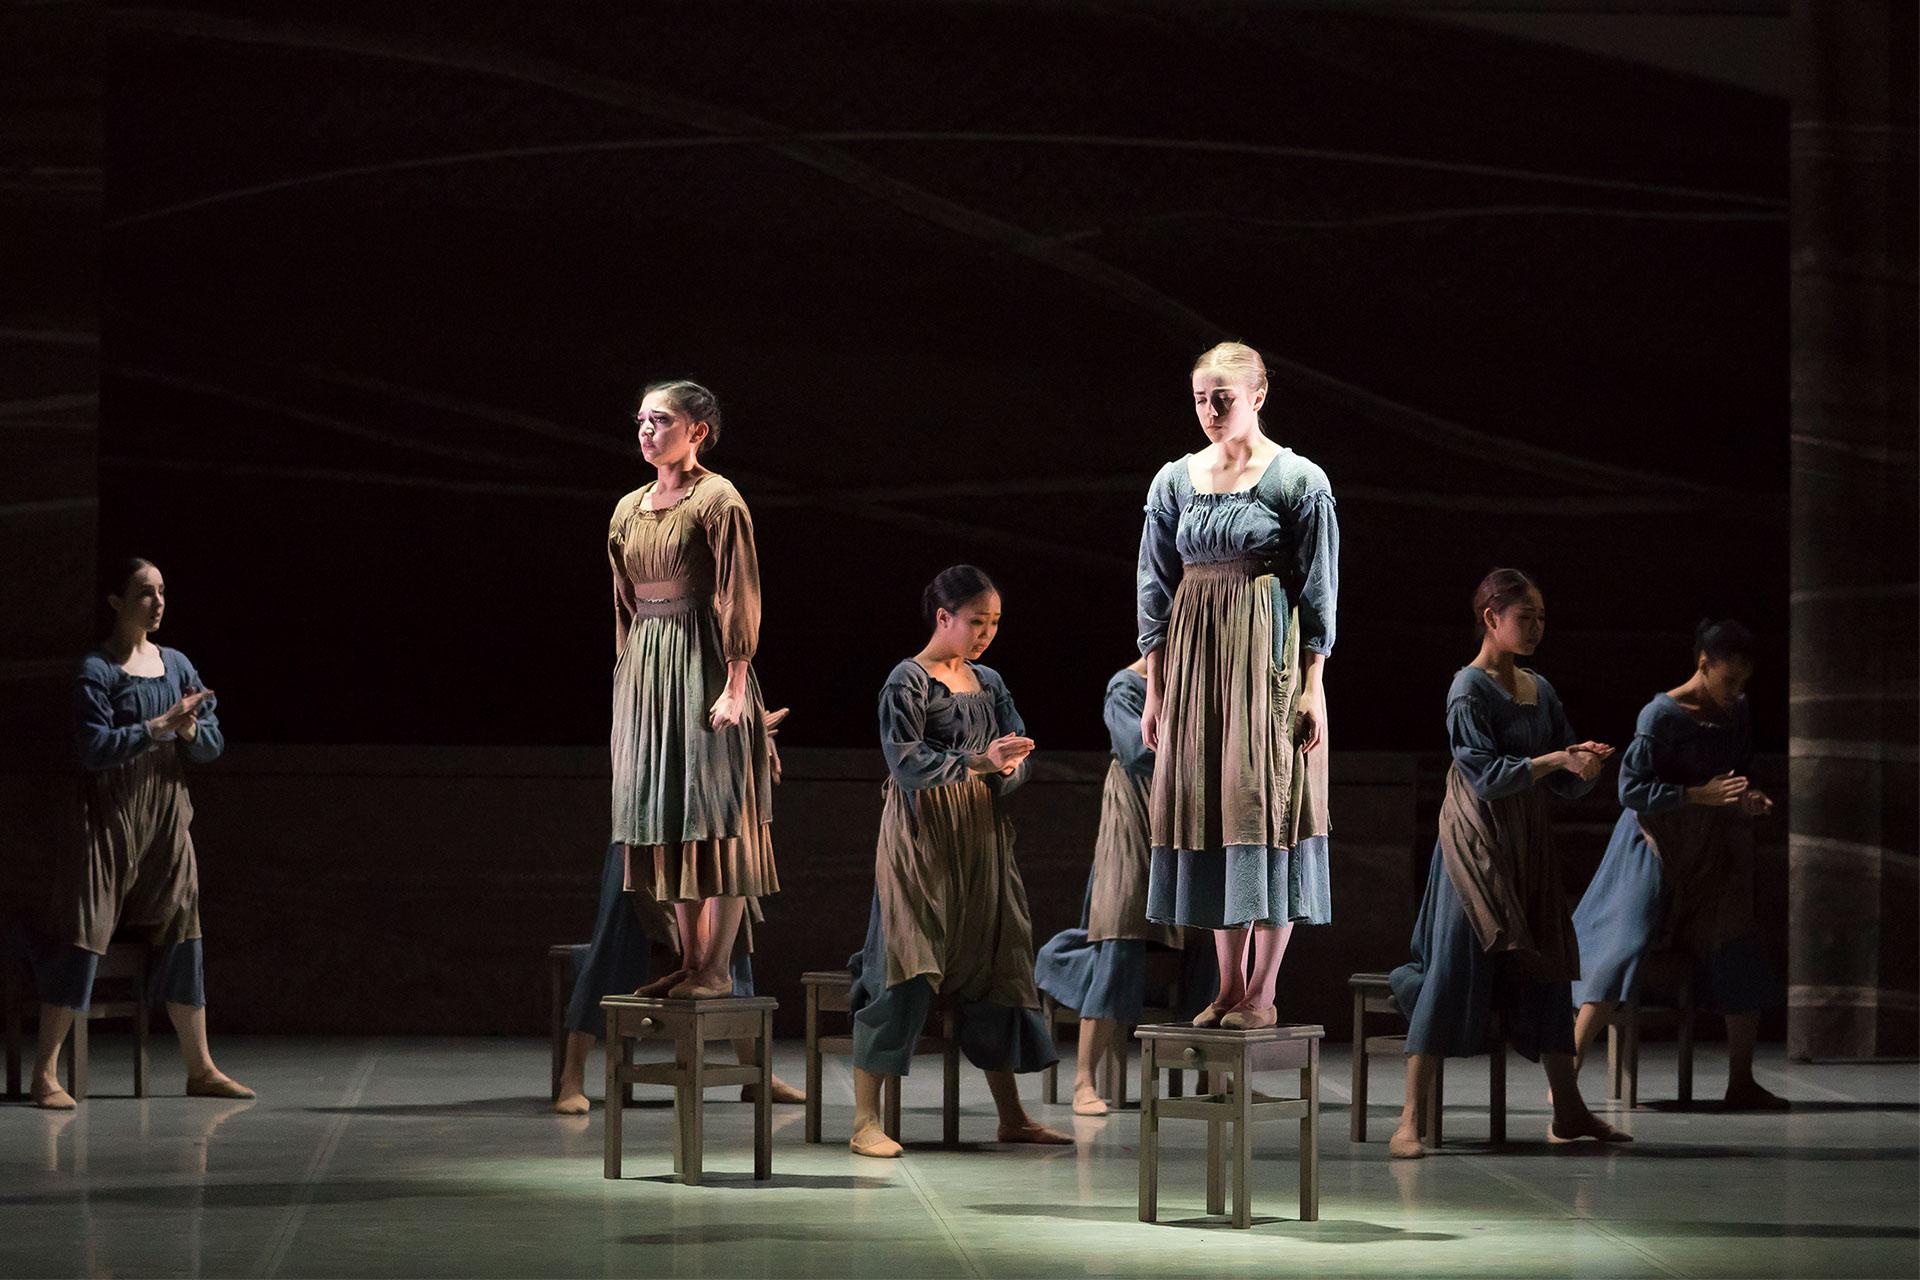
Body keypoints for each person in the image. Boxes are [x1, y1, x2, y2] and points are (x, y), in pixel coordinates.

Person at [1387, 568, 1628, 1156]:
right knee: (1452, 968)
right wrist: (1556, 761)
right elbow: (1487, 776)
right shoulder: (1466, 689)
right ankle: (1409, 1119)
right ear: (1492, 618)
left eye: (1542, 618)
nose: (1536, 628)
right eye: (1526, 617)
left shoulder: (1539, 689)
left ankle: (1567, 1109)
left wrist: (1583, 767)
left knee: (1546, 968)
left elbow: (1561, 777)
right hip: (1475, 843)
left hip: (1526, 843)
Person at [1136, 341, 1338, 1031]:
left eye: (1223, 396)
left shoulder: (1297, 480)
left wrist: (1312, 683)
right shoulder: (1174, 482)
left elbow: (1318, 590)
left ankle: (1264, 989)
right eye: (1200, 398)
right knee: (1214, 809)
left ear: (1258, 395)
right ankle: (1226, 986)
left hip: (1265, 663)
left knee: (1264, 807)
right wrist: (1158, 690)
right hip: (1197, 666)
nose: (1210, 409)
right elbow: (1154, 590)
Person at [845, 566, 1069, 1157]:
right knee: (909, 960)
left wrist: (1012, 762)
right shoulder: (908, 681)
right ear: (943, 617)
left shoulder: (989, 681)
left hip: (980, 834)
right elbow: (905, 761)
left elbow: (1012, 747)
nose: (985, 634)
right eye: (976, 622)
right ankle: (866, 1119)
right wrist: (979, 763)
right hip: (922, 836)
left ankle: (1012, 1116)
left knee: (999, 960)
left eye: (994, 624)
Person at [28, 558, 252, 1109]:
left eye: (161, 592)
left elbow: (211, 743)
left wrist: (191, 726)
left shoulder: (176, 665)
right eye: (145, 593)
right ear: (115, 602)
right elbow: (92, 748)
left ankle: (200, 1067)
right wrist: (156, 727)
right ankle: (45, 1073)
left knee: (184, 926)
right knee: (86, 929)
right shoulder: (97, 669)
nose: (158, 603)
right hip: (107, 820)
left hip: (165, 821)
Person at [608, 380, 777, 1001]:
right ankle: (689, 958)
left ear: (696, 430)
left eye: (660, 421)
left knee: (718, 809)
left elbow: (739, 593)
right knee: (667, 812)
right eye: (642, 421)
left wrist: (736, 685)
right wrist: (629, 682)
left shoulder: (718, 500)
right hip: (649, 670)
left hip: (704, 661)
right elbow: (624, 606)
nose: (647, 432)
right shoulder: (628, 508)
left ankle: (717, 967)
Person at [1571, 619, 1785, 1109]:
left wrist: (1745, 797)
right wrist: (1696, 794)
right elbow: (1629, 790)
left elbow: (1735, 774)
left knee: (1737, 940)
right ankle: (1566, 1079)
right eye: (1728, 680)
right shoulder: (1661, 715)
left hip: (1708, 844)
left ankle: (1741, 1080)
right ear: (1703, 665)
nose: (1736, 692)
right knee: (1625, 941)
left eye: (1743, 683)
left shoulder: (1737, 712)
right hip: (1652, 842)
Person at [1033, 659, 1217, 1115]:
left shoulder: (1197, 681)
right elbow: (1137, 750)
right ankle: (1083, 1079)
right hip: (1133, 813)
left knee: (1214, 937)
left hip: (1180, 814)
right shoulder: (1126, 686)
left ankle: (1214, 1074)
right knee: (1120, 930)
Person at [551, 841, 804, 1115]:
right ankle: (572, 1074)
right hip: (644, 828)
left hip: (701, 824)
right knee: (616, 934)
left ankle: (754, 1068)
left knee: (728, 925)